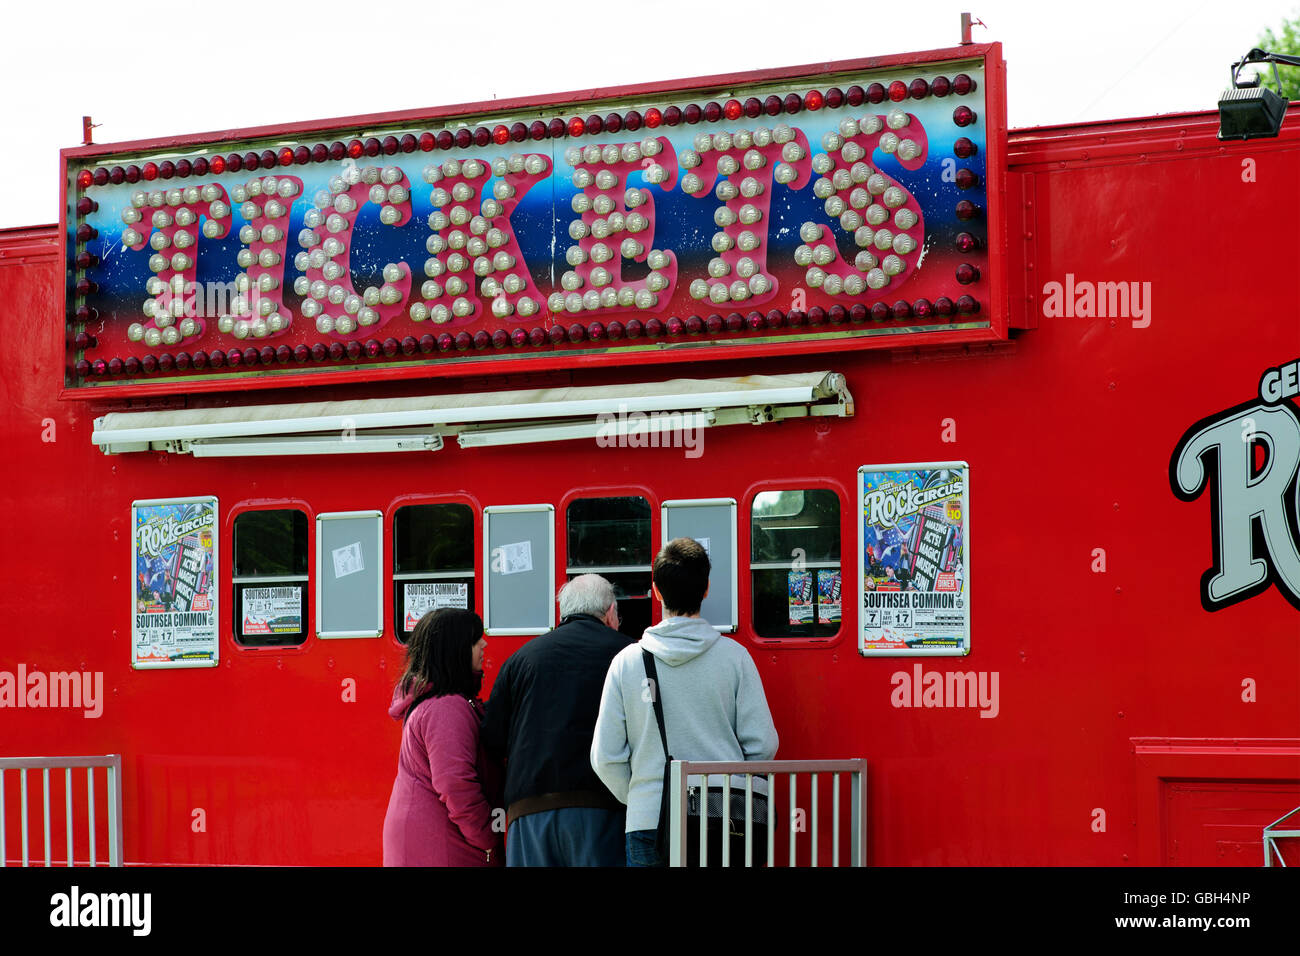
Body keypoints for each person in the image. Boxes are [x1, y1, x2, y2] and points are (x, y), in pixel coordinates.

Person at [591, 537, 778, 867]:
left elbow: (605, 757)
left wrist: (641, 796)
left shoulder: (626, 662)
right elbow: (763, 744)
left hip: (649, 820)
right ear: (706, 589)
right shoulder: (735, 658)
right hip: (725, 818)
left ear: (656, 591)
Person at [481, 574, 631, 866]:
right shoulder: (627, 654)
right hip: (603, 808)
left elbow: (493, 736)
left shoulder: (522, 658)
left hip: (529, 810)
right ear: (610, 612)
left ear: (562, 612)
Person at [382, 608, 504, 867]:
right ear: (455, 649)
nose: (484, 644)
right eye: (475, 639)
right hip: (442, 846)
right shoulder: (446, 707)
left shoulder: (434, 702)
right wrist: (488, 836)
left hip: (429, 840)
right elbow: (455, 783)